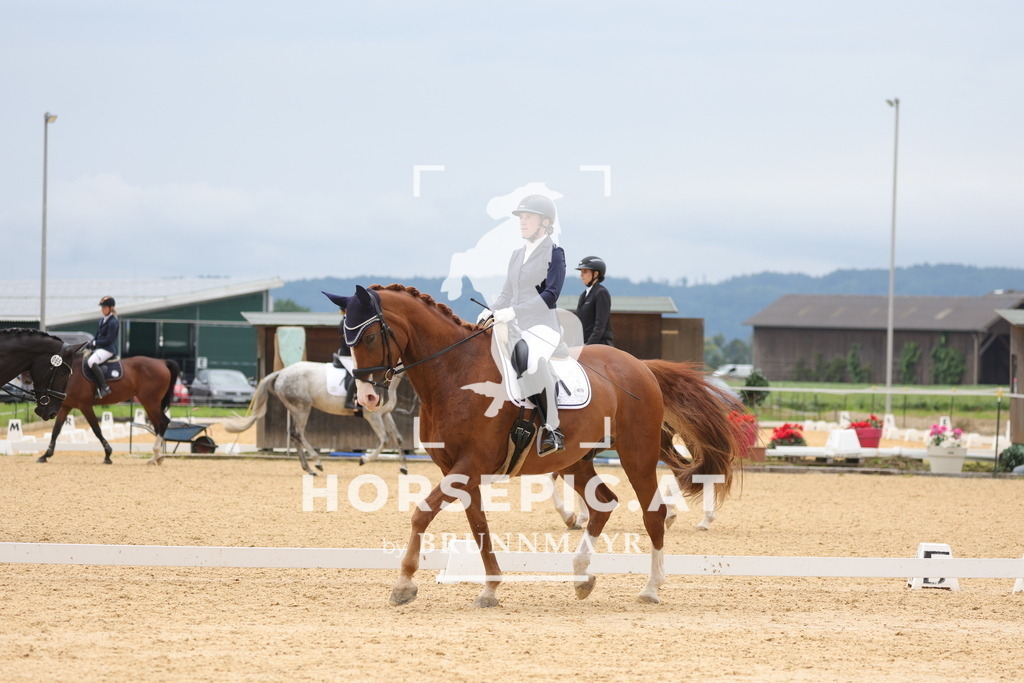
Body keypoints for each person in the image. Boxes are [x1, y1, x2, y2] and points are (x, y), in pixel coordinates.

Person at [490, 193, 566, 456]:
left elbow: (550, 295)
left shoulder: (554, 253)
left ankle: (552, 429)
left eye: (528, 217)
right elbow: (506, 292)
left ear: (544, 222)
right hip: (515, 323)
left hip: (542, 326)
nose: (522, 222)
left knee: (531, 360)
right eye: (521, 217)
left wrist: (514, 311)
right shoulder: (516, 254)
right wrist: (492, 312)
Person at [574, 255, 614, 346]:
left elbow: (600, 326)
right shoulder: (584, 295)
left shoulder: (601, 293)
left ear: (595, 274)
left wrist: (589, 346)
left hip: (599, 346)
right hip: (584, 345)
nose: (581, 275)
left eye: (585, 272)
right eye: (581, 272)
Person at [86, 296, 120, 398]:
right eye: (102, 307)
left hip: (108, 349)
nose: (102, 309)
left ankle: (104, 387)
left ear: (111, 308)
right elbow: (97, 336)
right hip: (100, 348)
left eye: (105, 307)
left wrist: (95, 343)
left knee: (91, 361)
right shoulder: (101, 321)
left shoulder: (113, 322)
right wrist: (90, 344)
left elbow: (109, 340)